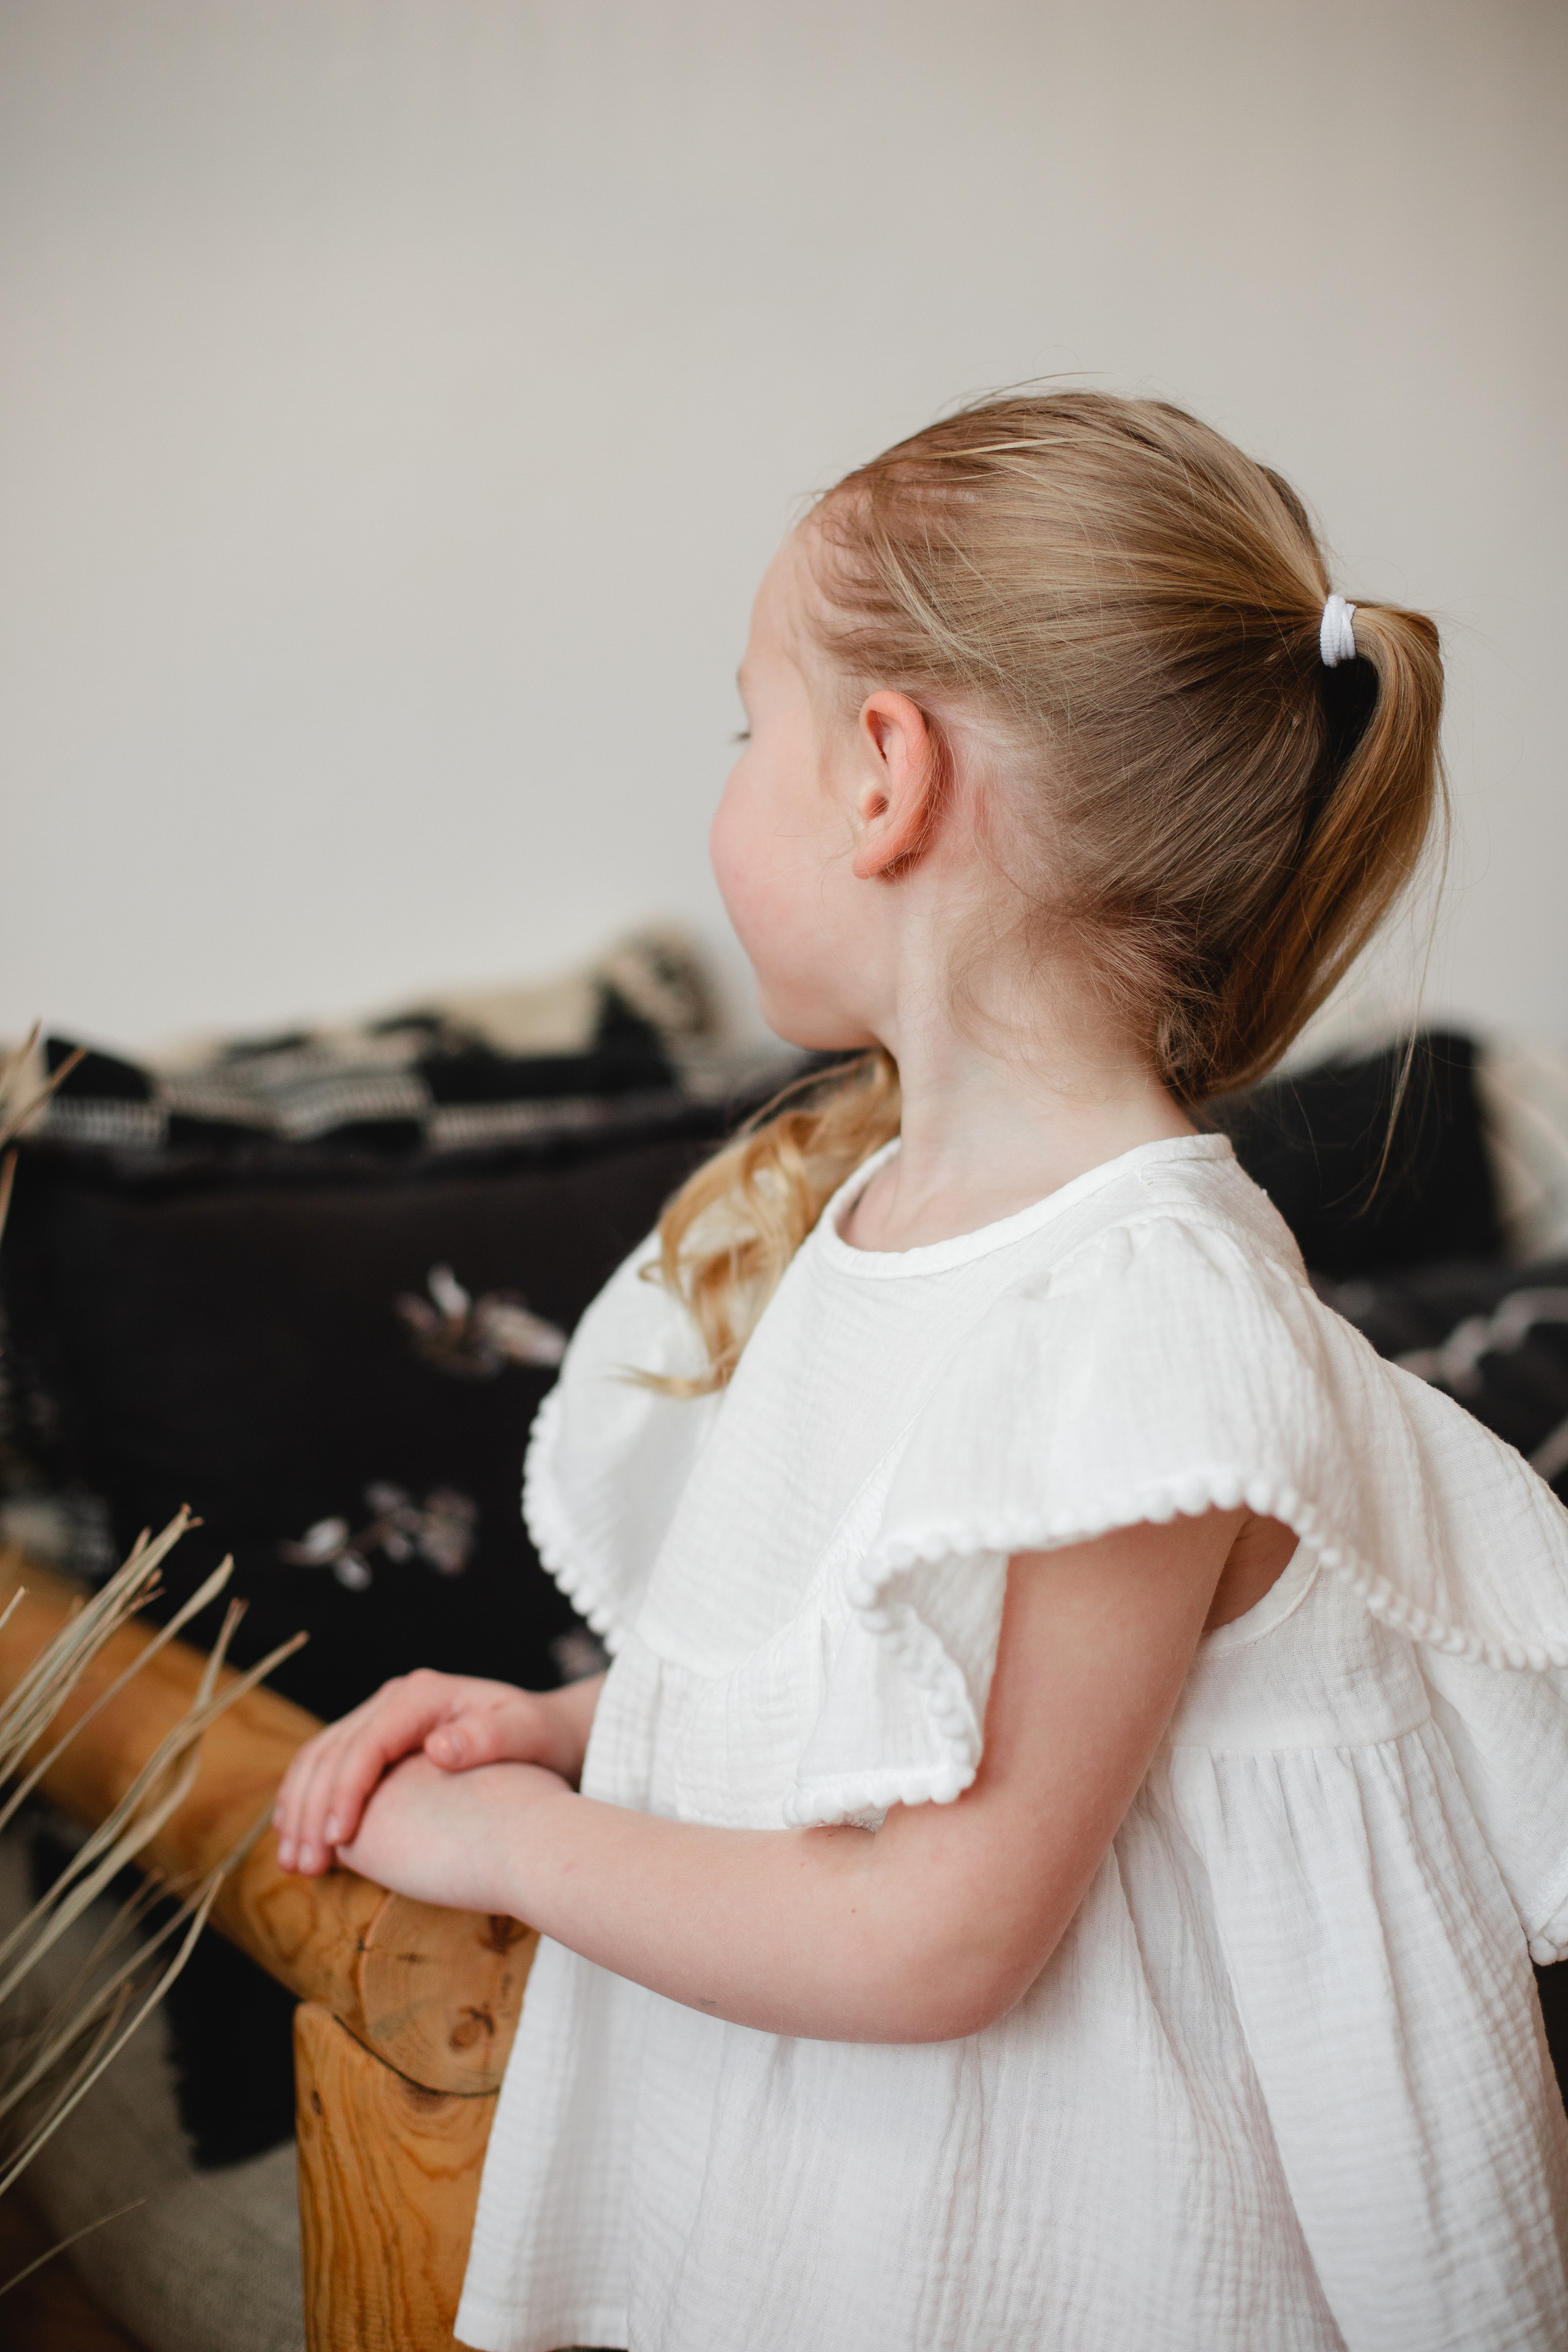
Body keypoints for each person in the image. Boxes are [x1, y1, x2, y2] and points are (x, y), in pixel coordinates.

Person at [273, 392, 1568, 2352]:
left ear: (884, 777)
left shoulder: (1150, 1317)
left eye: (745, 723)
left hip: (1081, 2228)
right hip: (867, 2186)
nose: (726, 778)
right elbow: (907, 1672)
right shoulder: (891, 1202)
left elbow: (949, 1928)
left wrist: (518, 1847)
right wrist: (578, 1731)